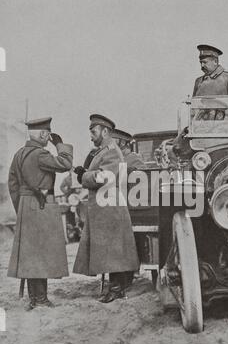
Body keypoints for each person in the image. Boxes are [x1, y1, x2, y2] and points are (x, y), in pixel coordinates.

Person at [7, 117, 73, 310]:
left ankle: (34, 298)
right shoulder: (40, 154)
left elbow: (13, 186)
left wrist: (22, 206)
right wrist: (60, 144)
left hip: (26, 207)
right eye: (48, 133)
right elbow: (65, 164)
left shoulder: (19, 154)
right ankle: (41, 298)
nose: (48, 137)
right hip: (41, 206)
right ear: (44, 134)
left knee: (31, 255)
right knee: (41, 253)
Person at [73, 114, 139, 303]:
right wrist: (85, 173)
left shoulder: (110, 151)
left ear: (105, 131)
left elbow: (105, 176)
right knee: (112, 249)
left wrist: (84, 177)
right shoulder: (104, 151)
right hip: (106, 207)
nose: (91, 136)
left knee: (113, 250)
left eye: (93, 132)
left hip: (109, 207)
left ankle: (117, 289)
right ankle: (116, 287)